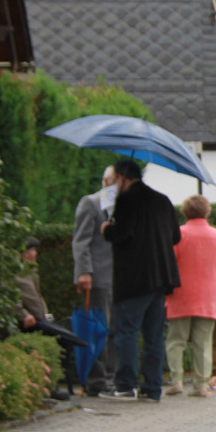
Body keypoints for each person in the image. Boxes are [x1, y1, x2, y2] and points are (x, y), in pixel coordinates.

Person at [101, 158, 180, 402]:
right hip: (160, 278)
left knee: (126, 331)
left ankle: (125, 385)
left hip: (133, 278)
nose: (113, 184)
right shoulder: (162, 200)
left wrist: (107, 229)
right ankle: (152, 387)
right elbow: (175, 236)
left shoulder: (126, 200)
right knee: (154, 335)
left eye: (114, 179)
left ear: (123, 178)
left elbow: (123, 233)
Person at [164, 195, 216, 397]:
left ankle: (176, 380)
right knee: (203, 343)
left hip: (180, 294)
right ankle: (201, 384)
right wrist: (213, 285)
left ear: (184, 212)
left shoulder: (177, 234)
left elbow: (169, 264)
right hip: (207, 296)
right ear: (207, 211)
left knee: (176, 341)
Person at [71, 165, 118, 395]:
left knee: (115, 328)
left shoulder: (121, 207)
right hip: (98, 276)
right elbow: (81, 240)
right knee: (99, 328)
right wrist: (84, 272)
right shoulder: (90, 203)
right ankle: (96, 380)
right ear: (107, 182)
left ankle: (111, 376)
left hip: (118, 277)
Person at [14, 238, 73, 401]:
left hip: (40, 318)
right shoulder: (14, 272)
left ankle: (54, 381)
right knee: (56, 341)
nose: (35, 254)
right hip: (26, 322)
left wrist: (46, 313)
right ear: (21, 254)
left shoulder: (31, 270)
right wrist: (24, 315)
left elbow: (37, 297)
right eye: (31, 251)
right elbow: (11, 299)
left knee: (66, 339)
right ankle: (49, 386)